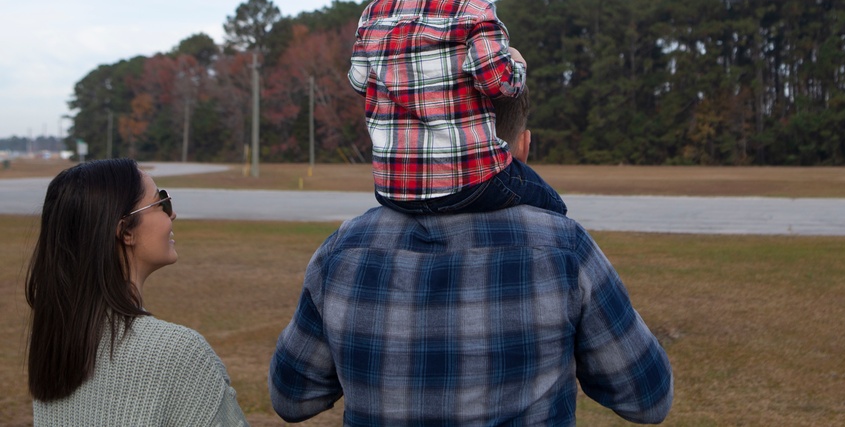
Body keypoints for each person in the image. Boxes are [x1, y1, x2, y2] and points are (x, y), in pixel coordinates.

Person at [269, 87, 673, 424]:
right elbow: (648, 397)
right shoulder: (564, 248)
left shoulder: (343, 251)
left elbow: (292, 397)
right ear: (523, 146)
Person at [348, 0, 566, 216]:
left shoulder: (375, 12)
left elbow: (360, 81)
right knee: (552, 206)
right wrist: (517, 64)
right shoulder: (475, 9)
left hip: (393, 189)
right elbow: (497, 83)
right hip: (469, 182)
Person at [25, 158, 249, 426]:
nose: (172, 213)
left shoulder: (56, 346)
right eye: (161, 202)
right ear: (125, 231)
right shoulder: (178, 352)